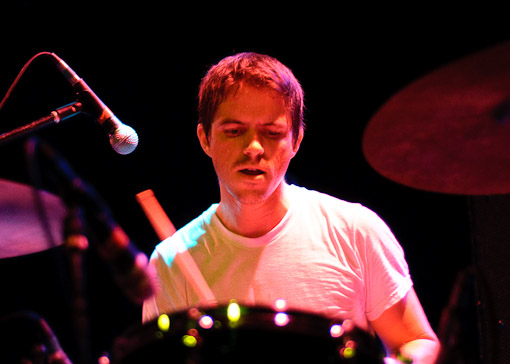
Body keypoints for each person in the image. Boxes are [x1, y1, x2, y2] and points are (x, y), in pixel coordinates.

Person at [142, 52, 440, 363]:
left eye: (272, 133)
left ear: (296, 139)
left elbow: (417, 342)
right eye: (234, 131)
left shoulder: (356, 231)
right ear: (205, 138)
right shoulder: (172, 262)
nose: (253, 148)